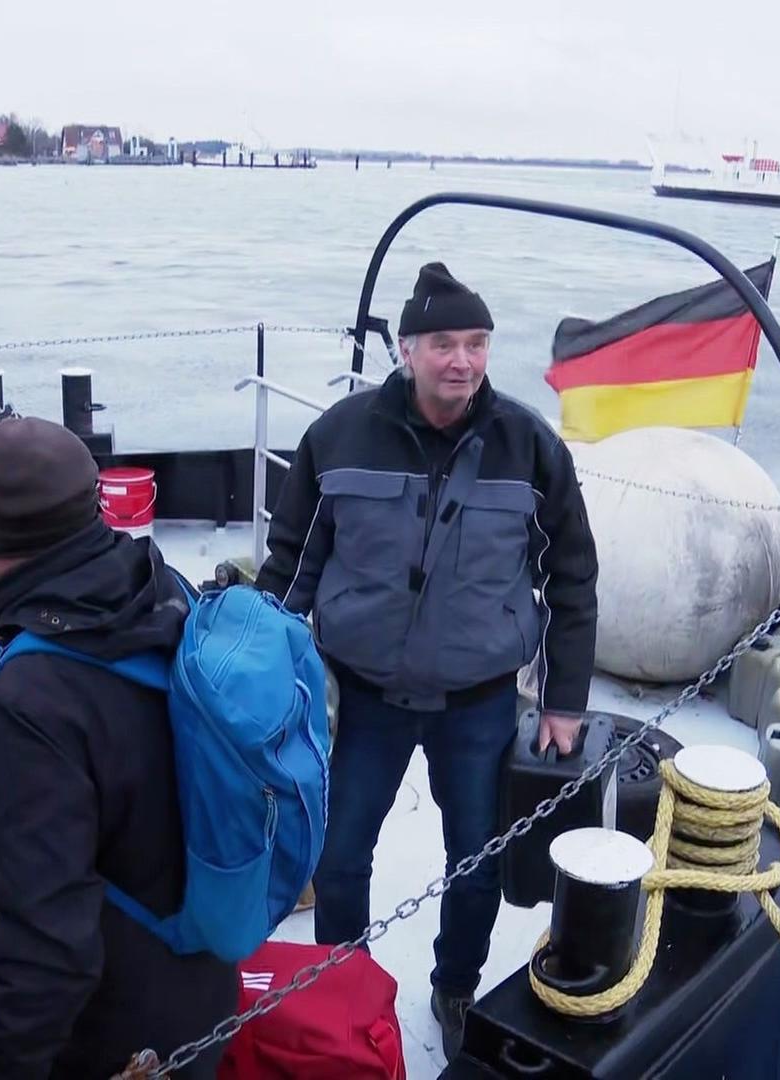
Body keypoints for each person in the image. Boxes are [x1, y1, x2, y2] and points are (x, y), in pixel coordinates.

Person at [256, 262, 600, 1058]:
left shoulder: (530, 447)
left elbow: (572, 577)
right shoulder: (337, 438)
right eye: (444, 342)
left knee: (475, 863)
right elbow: (291, 563)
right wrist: (261, 670)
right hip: (364, 698)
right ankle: (345, 988)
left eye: (477, 343)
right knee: (339, 860)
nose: (463, 360)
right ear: (406, 349)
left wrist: (563, 701)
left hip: (479, 702)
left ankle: (455, 989)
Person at [0, 418, 236, 1079]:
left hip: (119, 1027)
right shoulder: (166, 589)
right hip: (206, 974)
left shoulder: (32, 693)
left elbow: (49, 952)